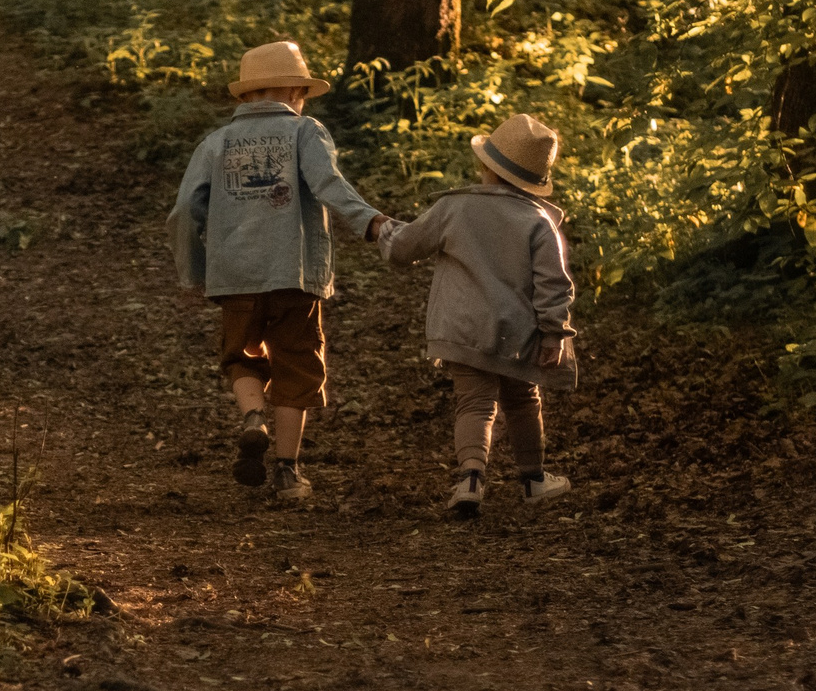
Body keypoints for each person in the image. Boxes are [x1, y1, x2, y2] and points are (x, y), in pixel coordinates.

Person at [169, 41, 393, 502]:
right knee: (297, 366)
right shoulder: (304, 132)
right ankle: (288, 473)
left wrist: (193, 273)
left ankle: (253, 416)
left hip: (234, 276)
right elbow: (330, 185)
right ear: (293, 90)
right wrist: (370, 222)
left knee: (241, 357)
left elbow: (182, 212)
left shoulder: (214, 143)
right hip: (294, 273)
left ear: (249, 94)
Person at [376, 112, 578, 520]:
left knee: (474, 404)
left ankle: (470, 479)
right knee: (524, 401)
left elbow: (404, 248)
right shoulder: (539, 222)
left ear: (486, 165)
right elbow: (553, 284)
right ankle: (533, 479)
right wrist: (554, 334)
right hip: (518, 335)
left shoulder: (454, 206)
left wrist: (382, 229)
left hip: (463, 331)